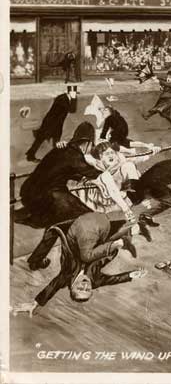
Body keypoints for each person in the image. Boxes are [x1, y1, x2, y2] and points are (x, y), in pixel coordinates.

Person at [11, 213, 148, 316]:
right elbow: (113, 280)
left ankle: (124, 237)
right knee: (111, 237)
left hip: (77, 236)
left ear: (72, 288)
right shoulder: (96, 280)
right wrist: (131, 275)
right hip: (101, 241)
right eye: (87, 290)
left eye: (80, 289)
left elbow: (51, 288)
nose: (85, 285)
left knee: (87, 255)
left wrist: (35, 303)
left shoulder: (65, 277)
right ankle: (135, 228)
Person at [18, 122, 102, 271]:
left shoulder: (61, 151)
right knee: (86, 215)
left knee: (56, 221)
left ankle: (35, 260)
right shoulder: (74, 155)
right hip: (48, 195)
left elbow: (65, 170)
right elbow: (94, 174)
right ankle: (85, 257)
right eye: (91, 145)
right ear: (88, 142)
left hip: (31, 191)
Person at [26, 85, 78, 162]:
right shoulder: (62, 99)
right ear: (69, 92)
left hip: (57, 123)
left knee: (55, 141)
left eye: (75, 93)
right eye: (73, 93)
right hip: (50, 122)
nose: (75, 95)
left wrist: (74, 98)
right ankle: (30, 155)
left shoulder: (68, 98)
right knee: (40, 139)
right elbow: (70, 109)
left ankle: (55, 158)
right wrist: (73, 99)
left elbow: (73, 110)